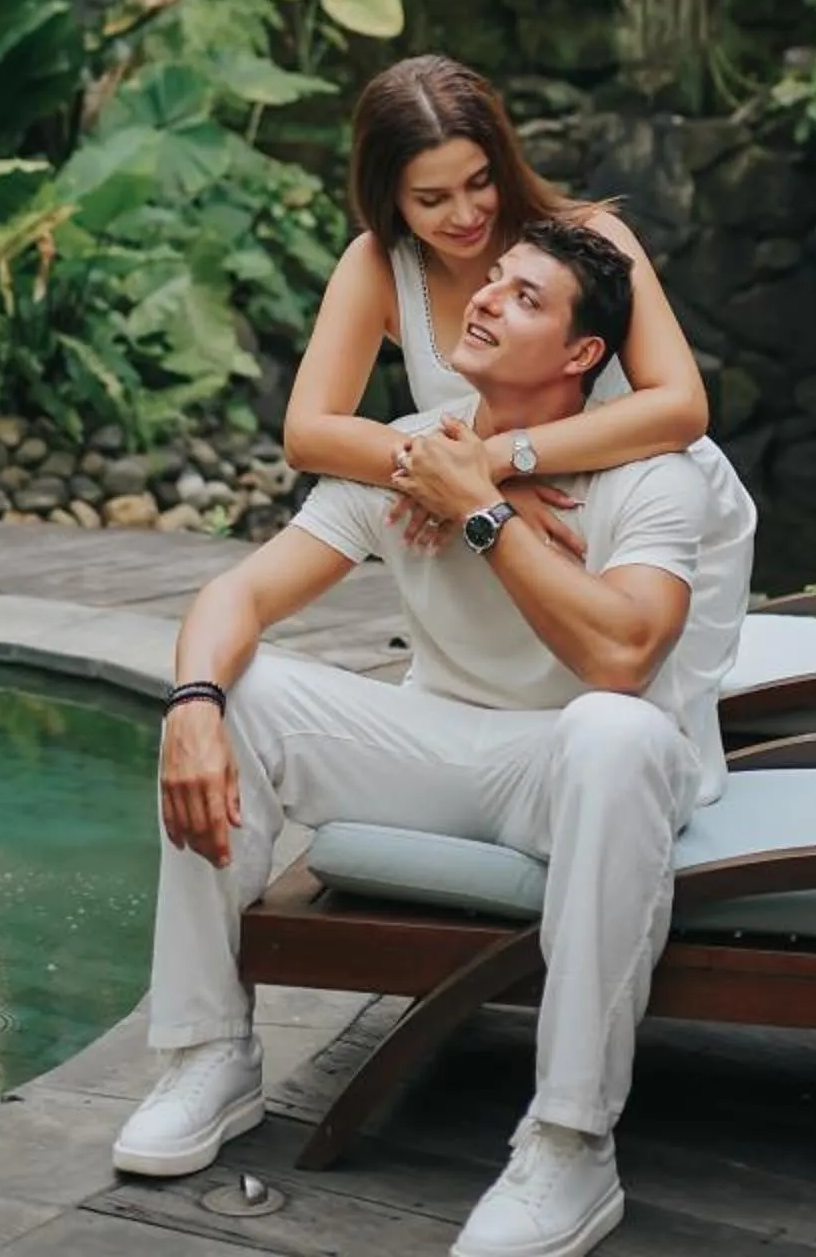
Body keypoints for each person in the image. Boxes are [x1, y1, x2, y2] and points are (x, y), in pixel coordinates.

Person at [112, 219, 737, 1257]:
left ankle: (570, 1141)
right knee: (241, 685)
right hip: (442, 748)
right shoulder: (410, 444)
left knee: (616, 732)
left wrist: (484, 511)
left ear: (585, 354)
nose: (486, 298)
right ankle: (207, 1052)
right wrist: (189, 702)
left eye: (526, 297)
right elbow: (240, 589)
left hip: (573, 768)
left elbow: (623, 652)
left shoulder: (652, 470)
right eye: (491, 281)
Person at [282, 54, 757, 698]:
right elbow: (308, 433)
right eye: (431, 198)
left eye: (479, 182)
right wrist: (453, 478)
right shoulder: (378, 264)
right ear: (388, 194)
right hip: (506, 523)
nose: (465, 213)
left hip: (640, 518)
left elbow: (679, 407)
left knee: (625, 714)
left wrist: (499, 461)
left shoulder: (587, 240)